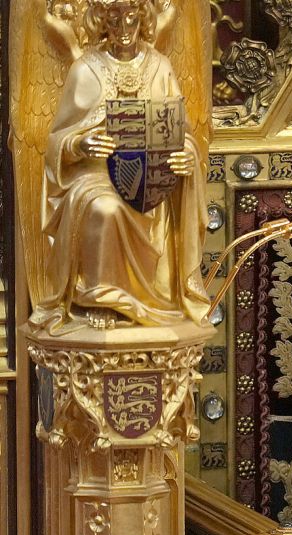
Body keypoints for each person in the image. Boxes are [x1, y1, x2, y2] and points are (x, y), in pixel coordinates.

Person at [30, 0, 210, 333]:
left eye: (131, 19)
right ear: (101, 21)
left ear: (143, 19)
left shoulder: (160, 66)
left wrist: (187, 154)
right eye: (114, 20)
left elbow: (179, 132)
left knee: (146, 203)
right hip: (95, 176)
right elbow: (57, 140)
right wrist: (79, 144)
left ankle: (153, 298)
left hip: (151, 180)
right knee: (105, 208)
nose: (124, 30)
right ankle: (102, 298)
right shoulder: (85, 69)